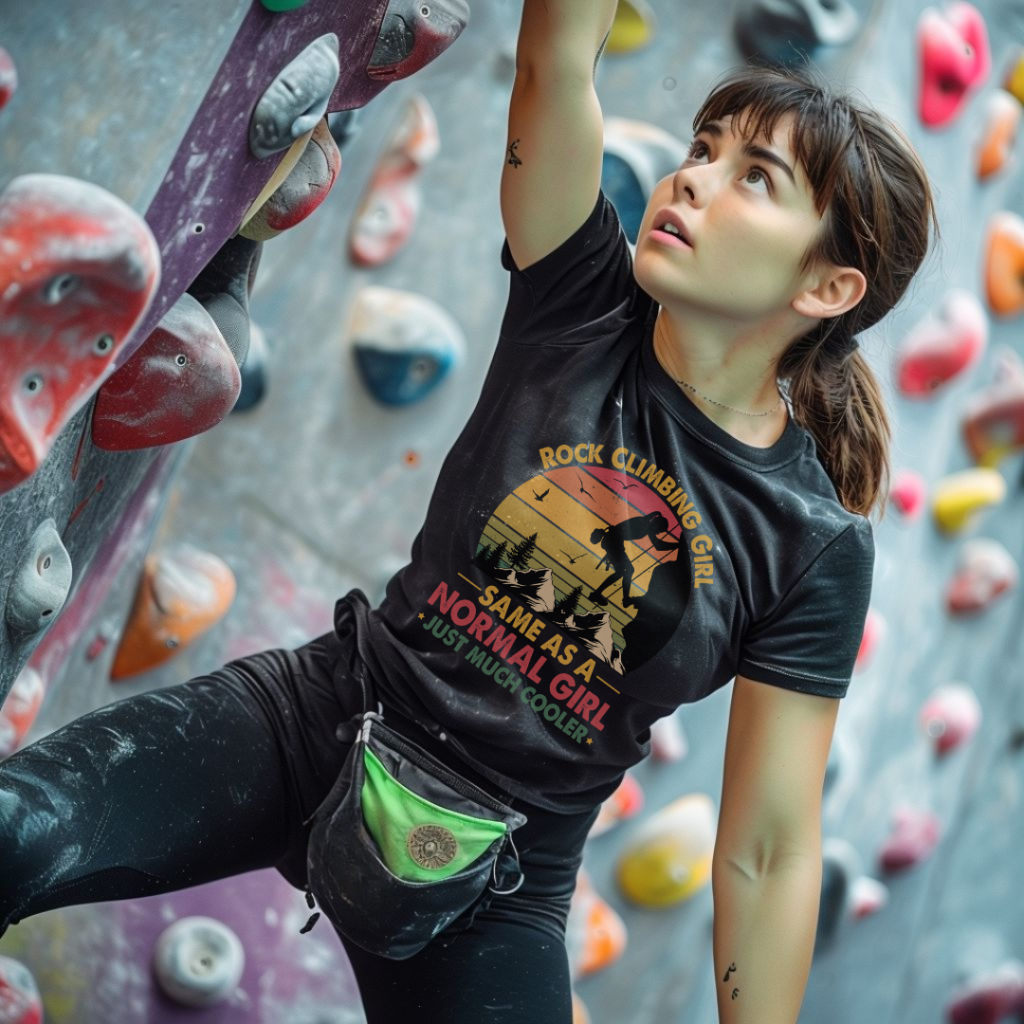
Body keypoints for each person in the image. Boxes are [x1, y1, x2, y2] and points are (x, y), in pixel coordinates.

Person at [0, 0, 940, 1021]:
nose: (693, 177)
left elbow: (766, 850)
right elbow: (553, 60)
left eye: (754, 177)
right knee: (15, 831)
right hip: (319, 721)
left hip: (499, 887)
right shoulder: (575, 294)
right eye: (703, 148)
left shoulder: (813, 547)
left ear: (828, 286)